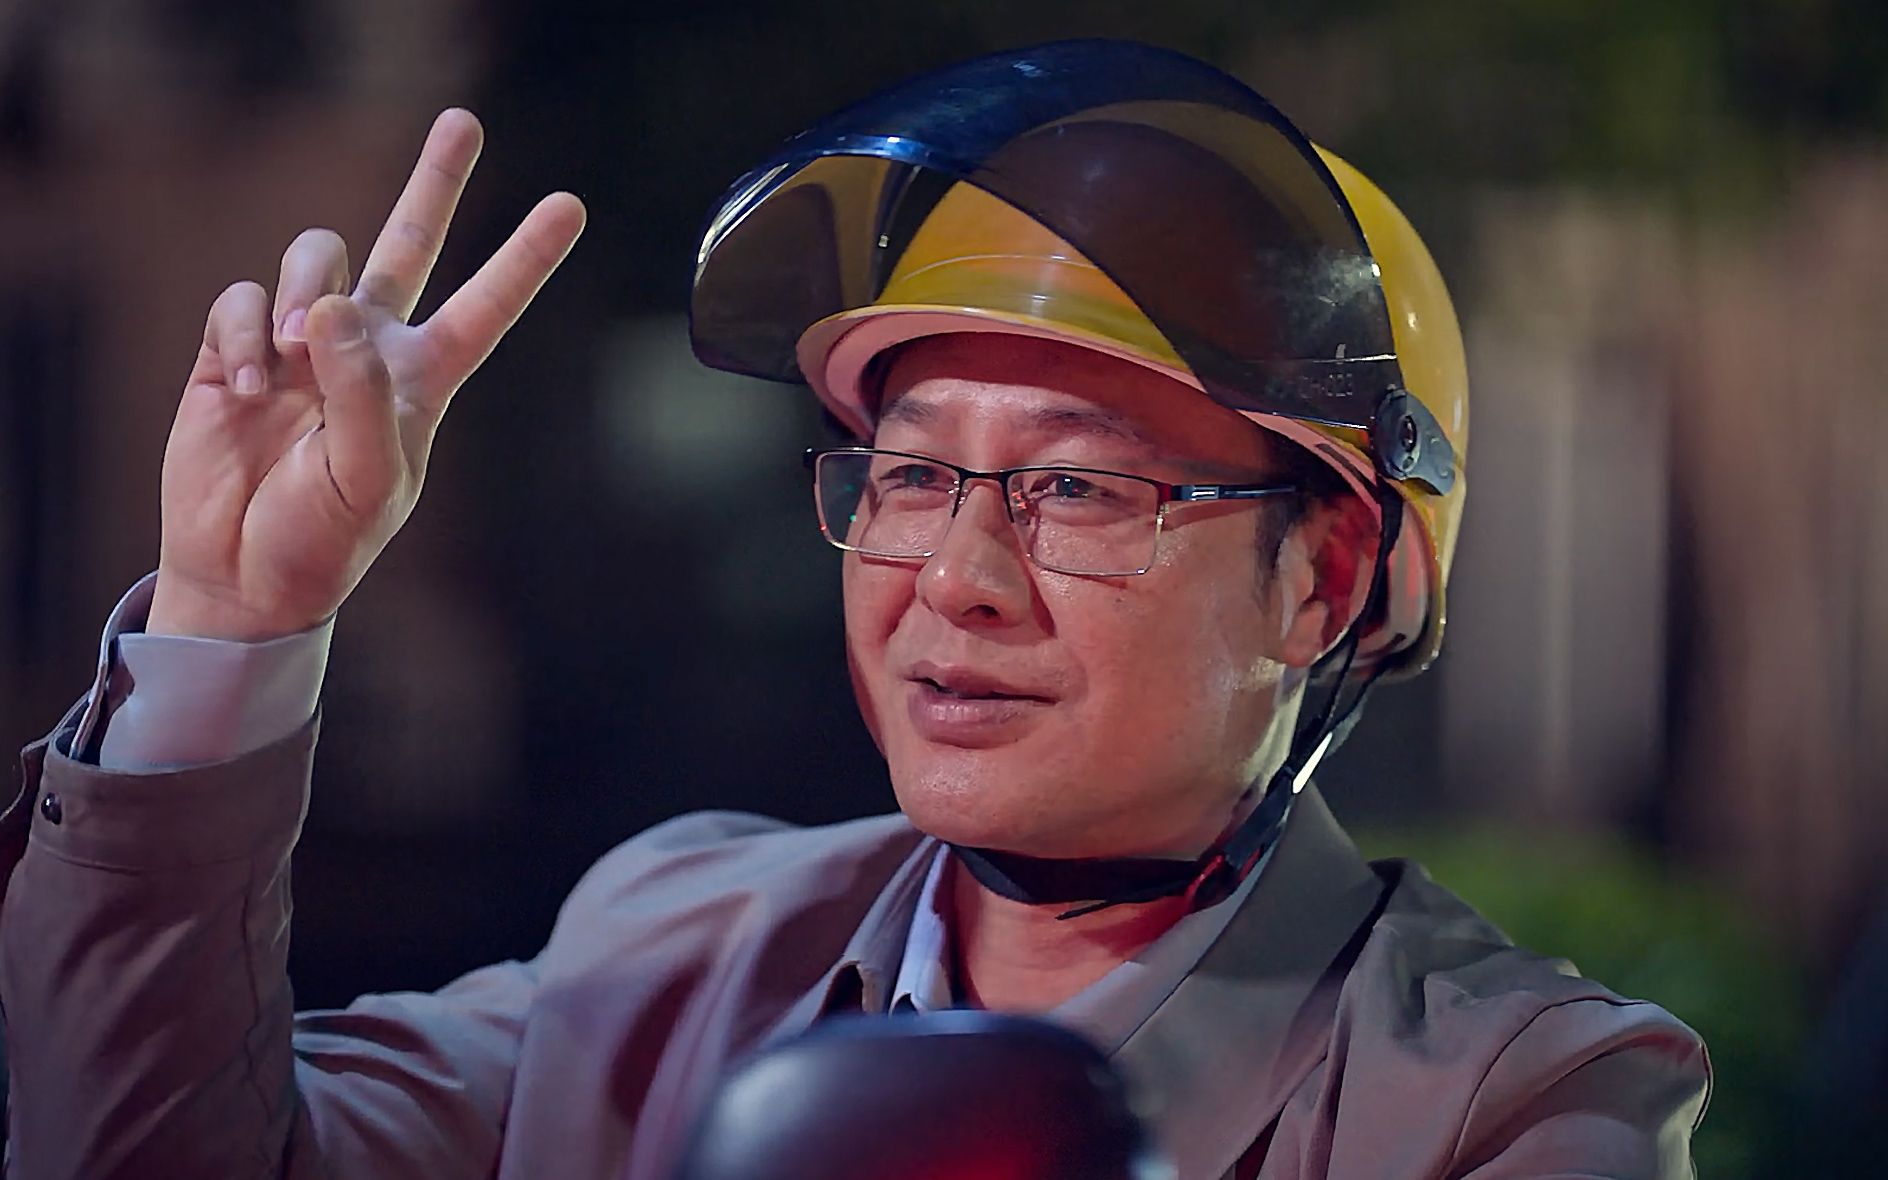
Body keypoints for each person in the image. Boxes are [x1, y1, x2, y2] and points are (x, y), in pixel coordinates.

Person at [0, 40, 1707, 1180]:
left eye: (1076, 489)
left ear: (1325, 579)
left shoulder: (1511, 1100)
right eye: (908, 475)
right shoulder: (668, 949)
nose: (956, 580)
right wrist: (232, 618)